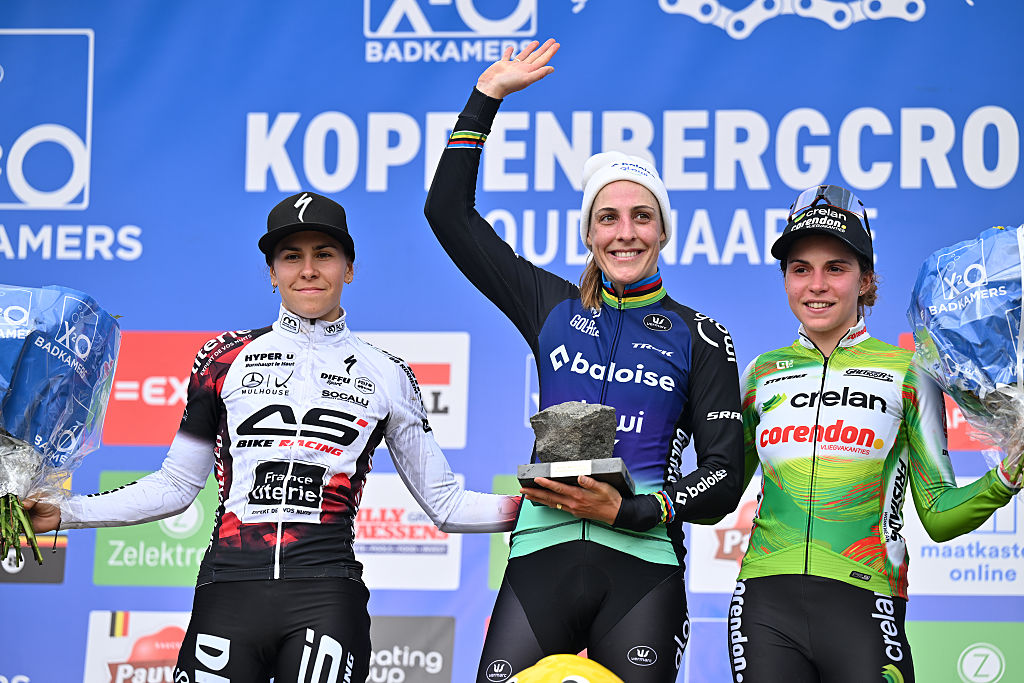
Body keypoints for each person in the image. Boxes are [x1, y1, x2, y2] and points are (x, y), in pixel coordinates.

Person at [25, 191, 520, 683]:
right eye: (291, 257)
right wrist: (65, 511)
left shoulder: (389, 374)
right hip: (229, 590)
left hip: (326, 594)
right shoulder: (222, 357)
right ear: (271, 272)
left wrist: (546, 507)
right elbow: (176, 486)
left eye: (324, 254)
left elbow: (447, 505)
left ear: (350, 268)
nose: (308, 270)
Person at [424, 40, 744, 682]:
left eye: (641, 217)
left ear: (663, 231)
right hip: (539, 557)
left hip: (643, 566)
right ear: (589, 234)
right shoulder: (549, 304)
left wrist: (629, 511)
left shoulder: (700, 336)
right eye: (608, 218)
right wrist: (484, 100)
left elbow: (724, 474)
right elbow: (448, 215)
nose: (625, 232)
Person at [730, 184, 1023, 683]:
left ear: (866, 280)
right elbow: (720, 489)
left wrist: (1007, 476)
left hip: (867, 598)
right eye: (801, 269)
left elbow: (937, 516)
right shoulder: (760, 373)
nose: (816, 285)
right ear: (785, 279)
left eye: (836, 268)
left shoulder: (910, 372)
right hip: (763, 598)